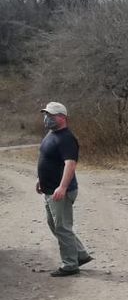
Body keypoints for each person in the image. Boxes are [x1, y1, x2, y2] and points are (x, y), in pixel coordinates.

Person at [36, 101, 92, 277]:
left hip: (61, 191)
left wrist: (62, 186)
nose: (47, 118)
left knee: (62, 227)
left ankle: (70, 264)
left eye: (51, 115)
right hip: (49, 189)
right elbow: (49, 159)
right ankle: (80, 255)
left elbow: (70, 164)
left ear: (62, 117)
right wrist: (40, 179)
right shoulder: (51, 134)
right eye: (46, 115)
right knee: (55, 225)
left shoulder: (67, 138)